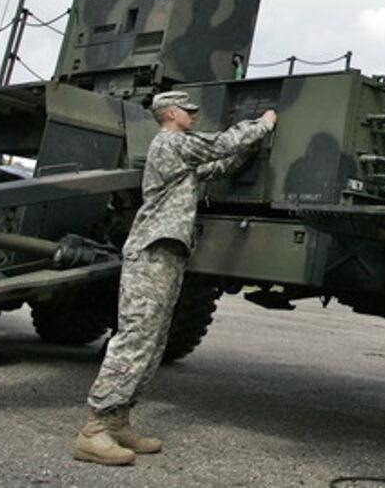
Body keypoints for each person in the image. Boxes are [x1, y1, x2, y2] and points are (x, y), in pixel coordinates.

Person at [73, 90, 276, 465]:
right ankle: (94, 431)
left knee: (153, 340)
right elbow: (221, 144)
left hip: (166, 254)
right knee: (136, 338)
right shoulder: (170, 143)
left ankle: (117, 421)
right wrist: (262, 125)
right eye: (188, 110)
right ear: (169, 113)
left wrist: (248, 149)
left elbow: (217, 166)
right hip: (151, 253)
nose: (193, 115)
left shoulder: (179, 155)